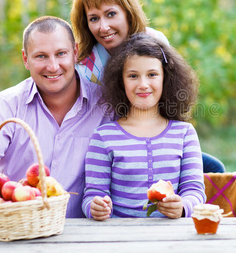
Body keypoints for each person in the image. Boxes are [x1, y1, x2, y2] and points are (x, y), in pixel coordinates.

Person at [0, 16, 112, 221]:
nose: (53, 66)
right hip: (16, 232)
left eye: (61, 53)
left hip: (83, 233)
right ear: (26, 59)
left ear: (75, 52)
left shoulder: (105, 106)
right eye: (41, 56)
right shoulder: (7, 105)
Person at [70, 0, 225, 173]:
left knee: (214, 169)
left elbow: (170, 96)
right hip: (110, 148)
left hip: (155, 138)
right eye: (94, 18)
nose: (103, 27)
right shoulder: (84, 61)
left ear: (128, 11)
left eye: (111, 14)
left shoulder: (154, 42)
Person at [83, 33, 206, 220]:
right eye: (133, 76)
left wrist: (183, 207)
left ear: (166, 78)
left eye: (152, 75)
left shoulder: (184, 134)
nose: (143, 84)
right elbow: (92, 194)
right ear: (120, 81)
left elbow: (195, 191)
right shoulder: (103, 137)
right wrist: (94, 207)